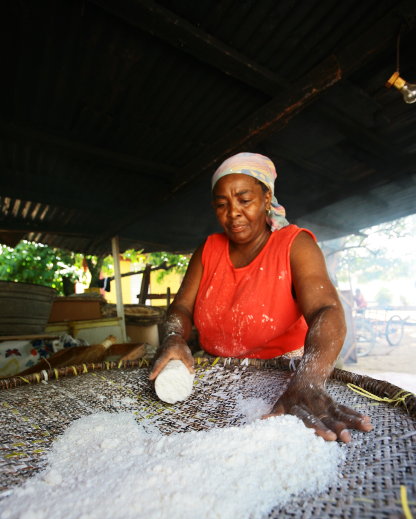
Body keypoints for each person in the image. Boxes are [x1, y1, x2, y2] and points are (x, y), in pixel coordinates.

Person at [150, 153, 372, 443]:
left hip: (287, 374)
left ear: (267, 198)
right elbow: (181, 307)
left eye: (244, 200)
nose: (233, 213)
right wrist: (174, 337)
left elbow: (327, 309)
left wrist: (309, 378)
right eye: (221, 205)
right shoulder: (208, 250)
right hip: (220, 375)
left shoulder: (294, 244)